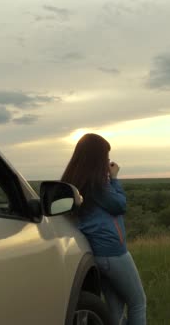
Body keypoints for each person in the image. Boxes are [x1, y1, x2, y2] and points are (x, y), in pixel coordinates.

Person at [61, 133, 146, 325]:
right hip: (113, 253)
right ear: (96, 159)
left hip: (98, 253)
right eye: (105, 157)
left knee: (115, 308)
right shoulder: (96, 184)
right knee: (138, 303)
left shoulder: (78, 182)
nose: (108, 161)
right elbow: (119, 205)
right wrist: (114, 179)